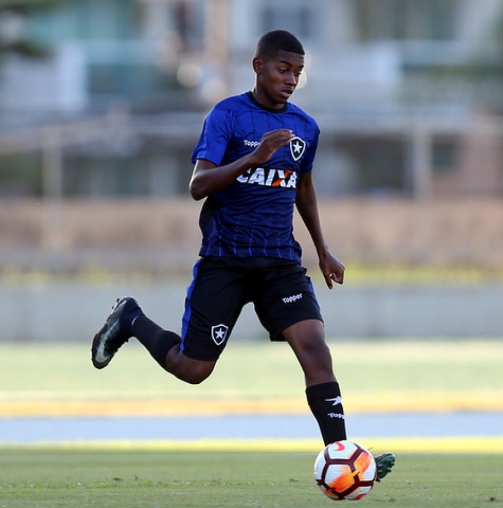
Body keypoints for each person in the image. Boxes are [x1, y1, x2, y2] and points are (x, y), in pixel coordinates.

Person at [90, 29, 394, 481]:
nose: (291, 79)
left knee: (314, 348)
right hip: (226, 260)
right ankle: (130, 318)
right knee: (192, 370)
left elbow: (303, 189)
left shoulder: (305, 128)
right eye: (283, 69)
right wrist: (253, 158)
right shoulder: (227, 116)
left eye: (298, 72)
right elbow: (198, 186)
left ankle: (344, 457)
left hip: (280, 264)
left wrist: (323, 250)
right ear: (258, 66)